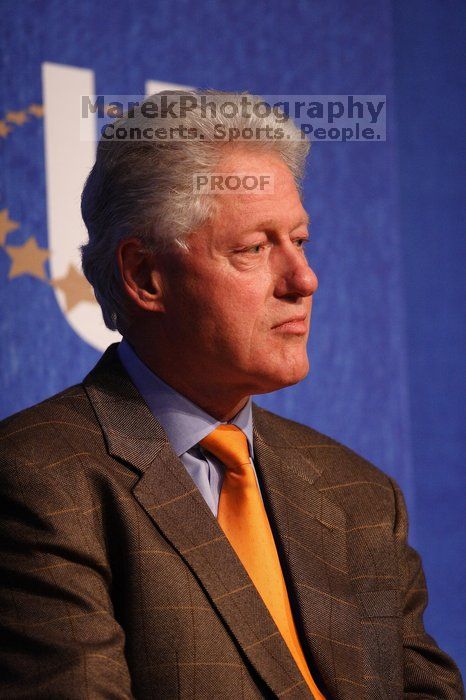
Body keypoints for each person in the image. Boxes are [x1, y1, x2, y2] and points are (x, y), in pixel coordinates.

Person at [0, 91, 463, 700]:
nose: (304, 279)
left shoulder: (361, 495)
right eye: (254, 248)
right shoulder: (35, 479)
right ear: (145, 276)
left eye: (300, 240)